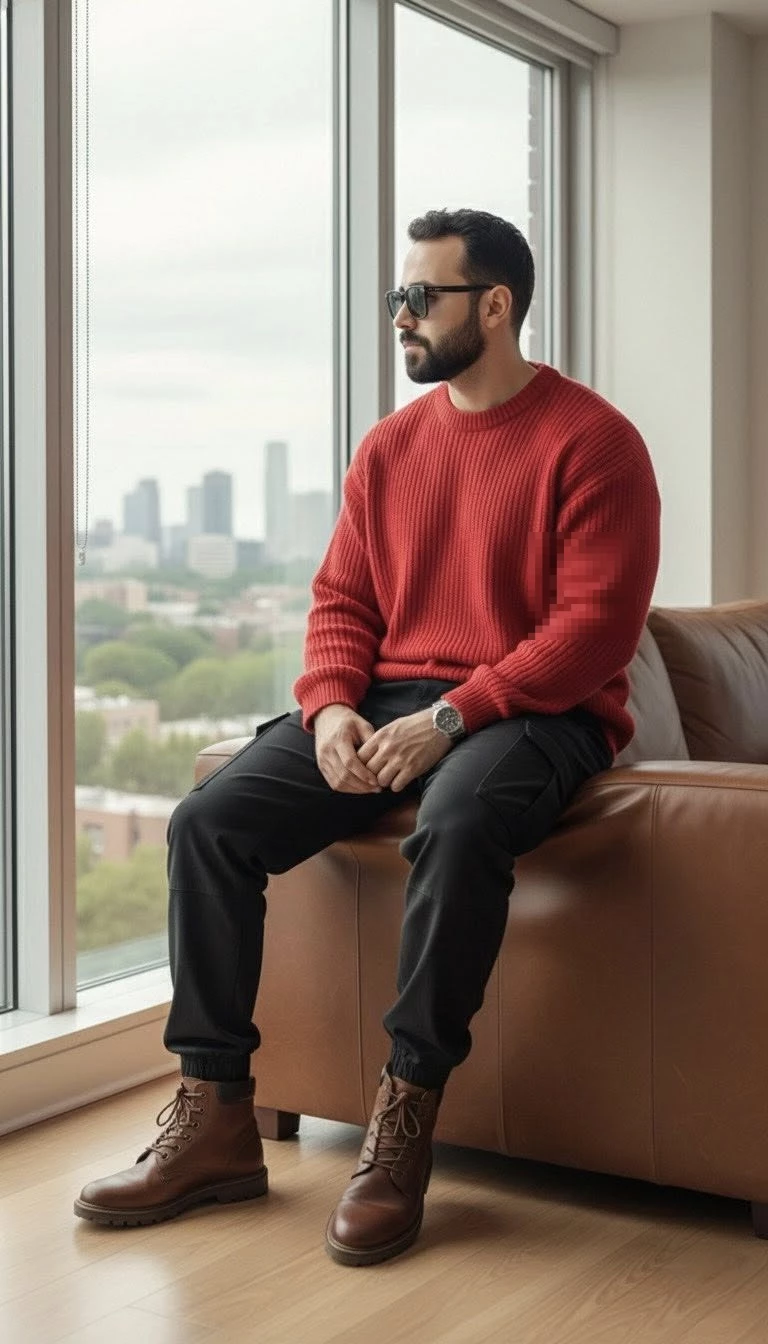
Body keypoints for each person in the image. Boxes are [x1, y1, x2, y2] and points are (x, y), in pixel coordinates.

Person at [74, 207, 660, 1267]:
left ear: (494, 304)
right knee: (209, 820)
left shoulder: (596, 441)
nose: (399, 317)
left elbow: (591, 632)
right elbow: (341, 600)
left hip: (540, 712)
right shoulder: (391, 449)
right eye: (395, 297)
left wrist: (453, 718)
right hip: (385, 698)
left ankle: (404, 1116)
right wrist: (333, 705)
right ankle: (213, 1115)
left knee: (460, 817)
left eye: (418, 297)